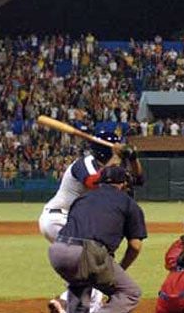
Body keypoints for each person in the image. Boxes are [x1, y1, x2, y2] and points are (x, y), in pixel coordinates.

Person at [41, 130, 143, 313]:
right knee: (94, 262)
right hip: (58, 217)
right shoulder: (85, 163)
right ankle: (67, 303)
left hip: (73, 225)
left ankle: (69, 304)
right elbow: (93, 182)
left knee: (88, 268)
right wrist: (116, 156)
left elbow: (139, 179)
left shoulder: (114, 169)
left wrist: (133, 157)